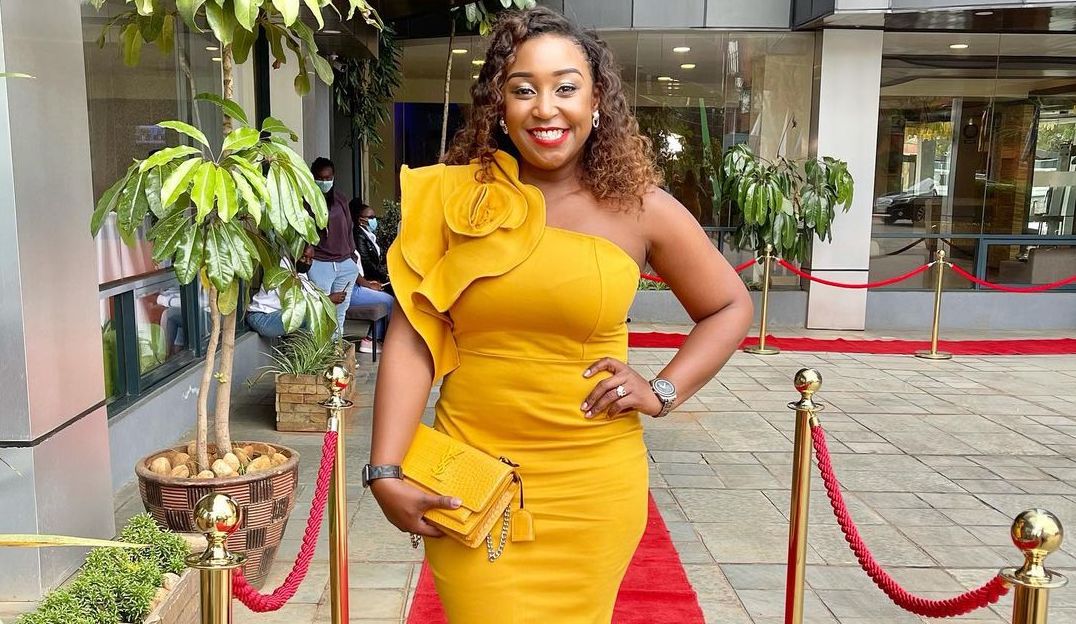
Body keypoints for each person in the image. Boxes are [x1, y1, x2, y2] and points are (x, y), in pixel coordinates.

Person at [366, 7, 752, 622]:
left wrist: (662, 390)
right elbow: (412, 337)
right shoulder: (450, 199)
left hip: (592, 487)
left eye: (566, 88)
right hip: (473, 477)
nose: (545, 109)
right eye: (523, 90)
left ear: (597, 100)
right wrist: (385, 468)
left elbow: (729, 305)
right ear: (499, 105)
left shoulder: (641, 208)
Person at [305, 157, 359, 341]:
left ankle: (335, 351)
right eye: (320, 178)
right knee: (320, 311)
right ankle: (318, 353)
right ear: (313, 177)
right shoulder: (307, 202)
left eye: (328, 178)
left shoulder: (341, 199)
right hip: (320, 264)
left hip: (345, 263)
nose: (325, 182)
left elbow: (349, 228)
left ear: (334, 177)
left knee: (340, 312)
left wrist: (352, 257)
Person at [247, 247, 346, 338]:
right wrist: (328, 300)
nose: (307, 262)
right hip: (262, 318)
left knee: (321, 314)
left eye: (311, 259)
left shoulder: (299, 272)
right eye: (304, 257)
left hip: (274, 316)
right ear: (294, 253)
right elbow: (295, 302)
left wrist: (328, 300)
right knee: (310, 315)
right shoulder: (282, 269)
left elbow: (311, 295)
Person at [349, 199, 394, 353]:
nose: (374, 220)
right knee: (389, 301)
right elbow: (360, 266)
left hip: (362, 282)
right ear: (360, 220)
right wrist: (371, 283)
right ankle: (372, 339)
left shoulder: (366, 236)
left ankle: (377, 338)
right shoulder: (356, 237)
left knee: (386, 298)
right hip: (355, 288)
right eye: (371, 217)